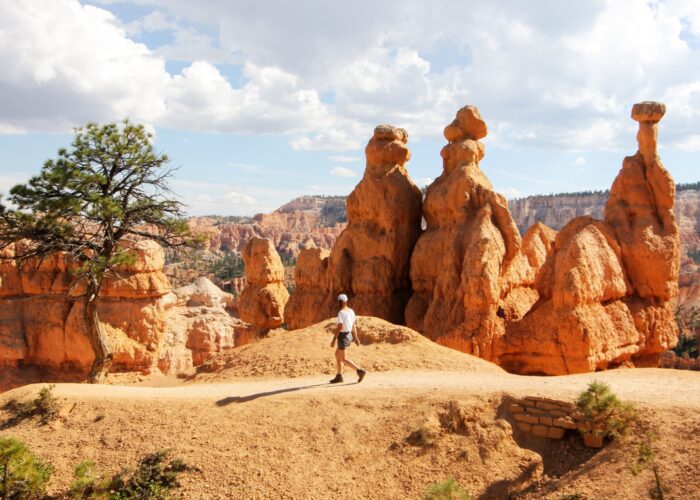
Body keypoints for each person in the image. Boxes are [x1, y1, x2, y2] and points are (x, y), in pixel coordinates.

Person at [329, 294, 366, 384]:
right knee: (337, 355)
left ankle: (360, 371)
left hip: (343, 336)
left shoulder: (341, 313)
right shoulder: (351, 311)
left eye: (339, 302)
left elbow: (340, 327)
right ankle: (339, 376)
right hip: (349, 335)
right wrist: (356, 338)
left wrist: (334, 339)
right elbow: (353, 326)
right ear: (346, 301)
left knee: (343, 359)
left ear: (339, 302)